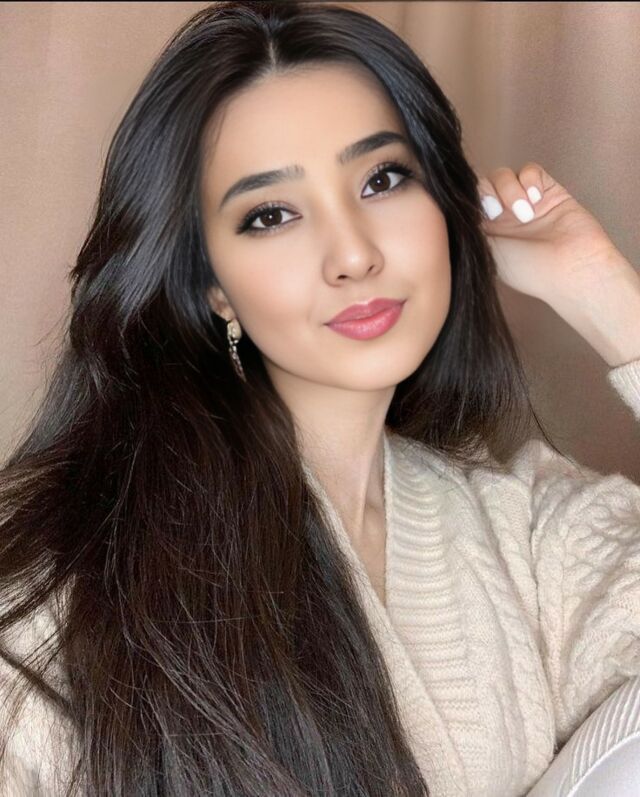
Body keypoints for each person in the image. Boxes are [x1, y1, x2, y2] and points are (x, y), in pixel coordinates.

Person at [0, 1, 639, 795]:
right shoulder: (70, 593)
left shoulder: (530, 530)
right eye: (271, 215)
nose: (353, 255)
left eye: (382, 179)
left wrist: (606, 295)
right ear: (213, 286)